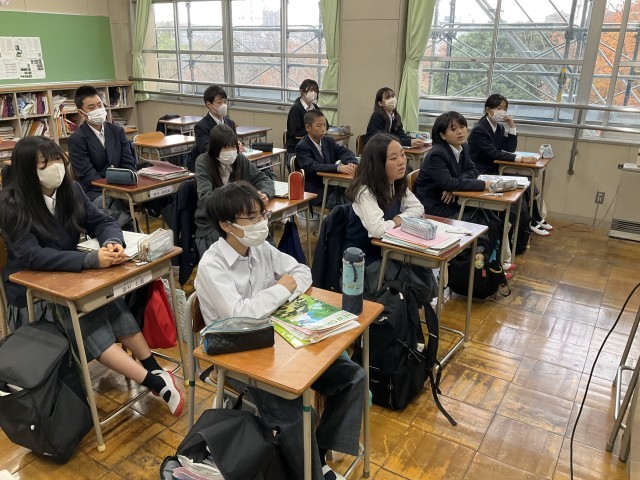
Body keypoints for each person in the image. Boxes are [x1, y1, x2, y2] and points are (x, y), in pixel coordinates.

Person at [0, 136, 184, 417]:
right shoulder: (11, 203)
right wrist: (90, 260)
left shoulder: (70, 189)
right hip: (32, 296)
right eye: (44, 164)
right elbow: (32, 256)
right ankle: (154, 382)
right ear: (27, 170)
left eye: (57, 159)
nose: (55, 168)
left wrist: (112, 243)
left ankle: (153, 369)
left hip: (69, 279)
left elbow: (103, 221)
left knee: (109, 301)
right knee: (85, 315)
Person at [195, 181, 365, 480]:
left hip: (278, 338)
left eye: (261, 214)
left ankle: (318, 455)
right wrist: (281, 290)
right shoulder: (213, 265)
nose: (262, 223)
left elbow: (301, 271)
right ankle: (311, 473)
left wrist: (279, 292)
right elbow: (241, 315)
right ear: (226, 225)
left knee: (353, 377)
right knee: (294, 407)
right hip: (237, 355)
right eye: (251, 218)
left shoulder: (259, 247)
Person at [344, 132, 437, 298]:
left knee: (423, 274)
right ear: (378, 164)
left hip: (390, 251)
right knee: (410, 285)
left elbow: (418, 208)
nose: (401, 161)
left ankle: (412, 311)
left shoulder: (396, 183)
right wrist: (397, 221)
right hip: (367, 261)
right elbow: (378, 230)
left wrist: (399, 219)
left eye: (402, 155)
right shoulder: (364, 192)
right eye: (393, 158)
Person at [414, 111, 503, 260]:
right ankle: (475, 263)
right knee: (479, 221)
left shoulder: (463, 147)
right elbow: (448, 183)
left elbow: (472, 170)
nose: (460, 132)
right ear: (443, 135)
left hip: (453, 201)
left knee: (491, 218)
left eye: (462, 127)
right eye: (453, 129)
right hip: (434, 206)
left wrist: (454, 186)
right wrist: (481, 185)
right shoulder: (437, 154)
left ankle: (492, 263)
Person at [467, 93, 552, 236]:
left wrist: (512, 126)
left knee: (529, 181)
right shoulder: (480, 129)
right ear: (488, 110)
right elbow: (494, 153)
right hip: (482, 171)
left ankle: (536, 218)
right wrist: (521, 159)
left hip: (495, 168)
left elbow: (509, 148)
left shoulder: (499, 127)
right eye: (499, 108)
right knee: (521, 186)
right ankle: (529, 222)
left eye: (504, 108)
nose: (502, 111)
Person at [194, 124, 274, 257]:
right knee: (236, 249)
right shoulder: (203, 162)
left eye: (233, 147)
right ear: (215, 149)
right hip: (213, 222)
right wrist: (238, 202)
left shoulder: (240, 159)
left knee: (264, 241)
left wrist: (264, 194)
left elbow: (264, 180)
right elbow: (205, 197)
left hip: (242, 218)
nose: (230, 151)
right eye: (225, 148)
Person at [67, 85, 136, 227]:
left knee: (164, 197)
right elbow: (87, 175)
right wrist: (115, 192)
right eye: (91, 107)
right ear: (81, 113)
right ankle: (129, 235)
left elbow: (128, 163)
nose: (98, 110)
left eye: (100, 105)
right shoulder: (76, 139)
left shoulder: (117, 131)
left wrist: (126, 187)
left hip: (123, 186)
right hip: (95, 192)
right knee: (115, 208)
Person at [295, 110, 357, 206]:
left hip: (333, 186)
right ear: (308, 127)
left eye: (324, 125)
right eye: (319, 126)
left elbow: (343, 152)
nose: (323, 129)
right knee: (348, 204)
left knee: (358, 197)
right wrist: (338, 168)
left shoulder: (328, 141)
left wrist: (351, 162)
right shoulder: (302, 146)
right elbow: (312, 166)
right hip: (317, 190)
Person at [193, 84, 238, 157]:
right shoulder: (201, 126)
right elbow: (206, 149)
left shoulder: (230, 123)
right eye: (219, 102)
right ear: (209, 104)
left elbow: (235, 143)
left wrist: (238, 146)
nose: (223, 105)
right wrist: (226, 150)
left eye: (225, 102)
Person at [286, 79, 321, 154]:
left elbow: (325, 124)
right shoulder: (296, 109)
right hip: (297, 146)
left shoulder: (315, 108)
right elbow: (295, 132)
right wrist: (314, 131)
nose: (313, 93)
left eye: (315, 91)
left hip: (312, 144)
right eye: (310, 90)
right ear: (302, 91)